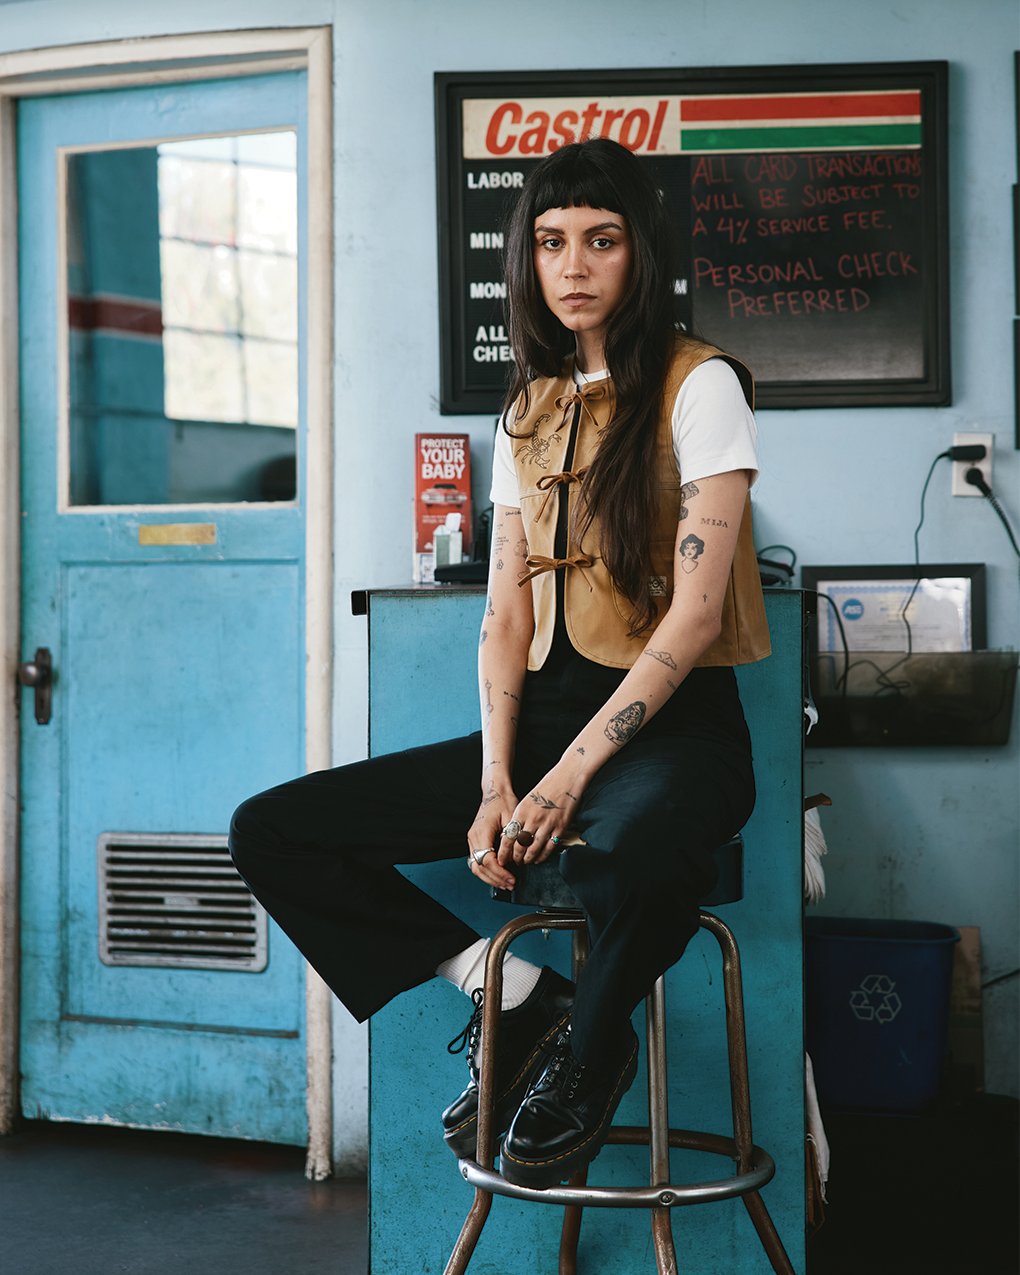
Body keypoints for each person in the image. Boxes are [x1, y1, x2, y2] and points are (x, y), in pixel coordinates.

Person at [229, 137, 770, 1192]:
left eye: (602, 240)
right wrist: (497, 781)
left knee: (634, 853)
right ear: (527, 259)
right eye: (552, 243)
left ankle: (591, 1053)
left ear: (642, 251)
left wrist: (565, 780)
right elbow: (506, 615)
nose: (574, 266)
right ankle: (517, 996)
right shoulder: (528, 404)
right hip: (547, 716)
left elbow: (698, 616)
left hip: (678, 725)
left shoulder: (702, 384)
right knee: (274, 830)